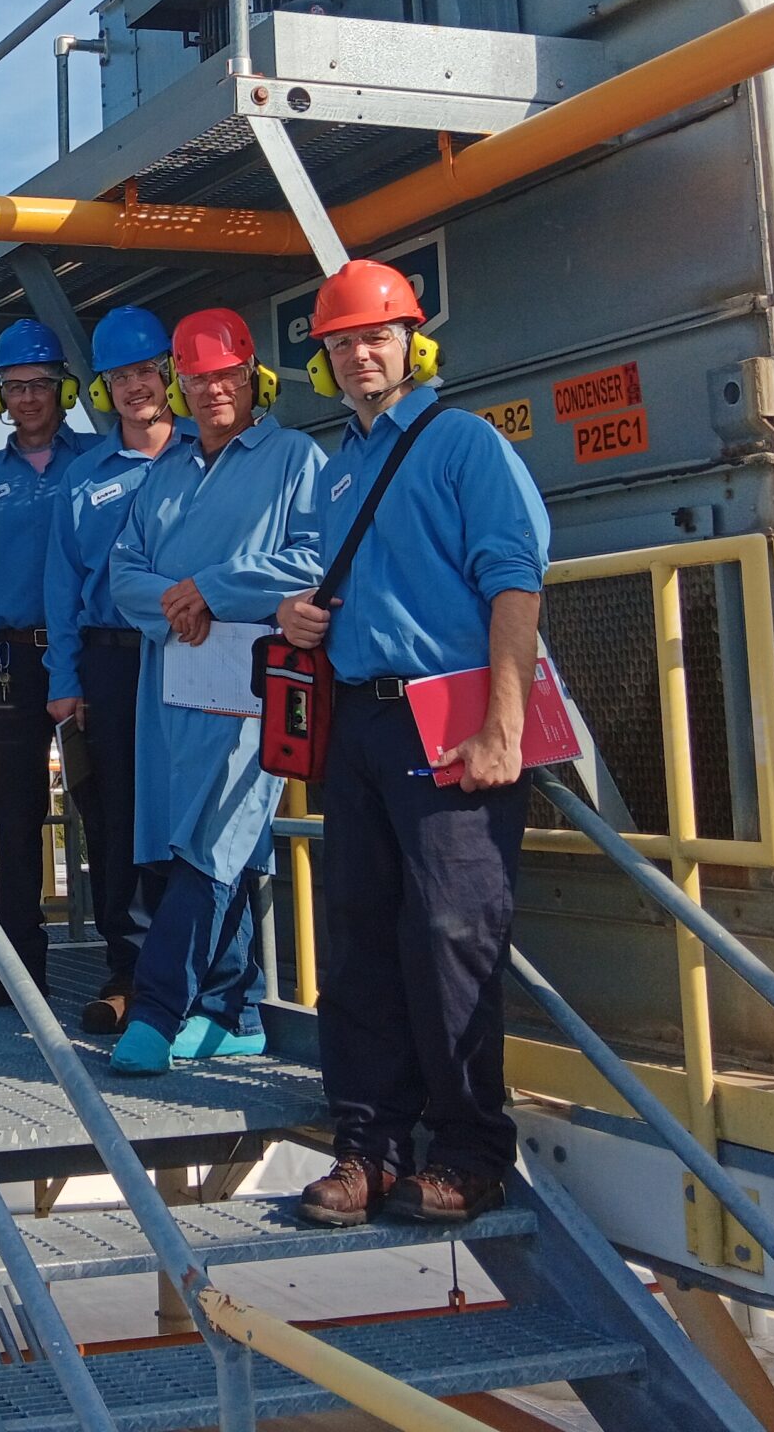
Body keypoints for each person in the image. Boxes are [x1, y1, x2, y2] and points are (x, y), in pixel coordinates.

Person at [276, 259, 550, 1228]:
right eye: (342, 341)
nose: (359, 354)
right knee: (355, 939)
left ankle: (470, 1153)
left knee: (450, 936)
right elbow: (322, 578)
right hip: (360, 718)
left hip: (450, 720)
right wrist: (296, 614)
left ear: (411, 343)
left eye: (375, 336)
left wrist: (503, 727)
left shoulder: (462, 446)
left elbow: (514, 580)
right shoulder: (337, 466)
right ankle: (369, 1150)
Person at [102, 309, 323, 1074]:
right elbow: (122, 571)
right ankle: (233, 1009)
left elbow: (314, 556)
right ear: (180, 385)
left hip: (251, 686)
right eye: (196, 378)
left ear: (251, 375)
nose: (212, 391)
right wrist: (175, 603)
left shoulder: (295, 458)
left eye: (225, 375)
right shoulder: (165, 471)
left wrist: (211, 589)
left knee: (216, 838)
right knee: (179, 841)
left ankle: (157, 1013)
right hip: (170, 685)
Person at [42, 305, 192, 1032]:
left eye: (145, 370)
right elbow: (62, 590)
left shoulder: (211, 455)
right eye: (119, 377)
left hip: (198, 656)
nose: (135, 387)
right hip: (112, 664)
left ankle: (195, 967)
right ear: (102, 389)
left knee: (193, 813)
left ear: (169, 372)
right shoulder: (84, 478)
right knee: (116, 819)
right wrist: (66, 685)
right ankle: (129, 970)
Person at [0, 317, 100, 1004]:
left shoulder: (97, 463)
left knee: (105, 804)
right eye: (15, 387)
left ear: (62, 390)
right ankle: (17, 969)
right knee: (16, 817)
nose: (29, 398)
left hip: (86, 653)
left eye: (40, 384)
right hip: (7, 659)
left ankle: (127, 966)